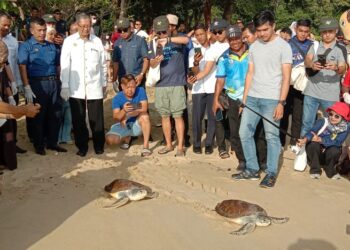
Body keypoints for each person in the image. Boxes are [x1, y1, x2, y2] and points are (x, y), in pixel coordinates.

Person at [233, 10, 292, 188]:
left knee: (272, 137)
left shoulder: (284, 47)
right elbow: (250, 74)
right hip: (252, 98)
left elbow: (286, 77)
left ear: (273, 26)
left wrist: (281, 102)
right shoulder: (254, 46)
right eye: (258, 30)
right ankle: (252, 169)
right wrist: (244, 100)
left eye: (265, 29)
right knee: (244, 133)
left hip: (272, 99)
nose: (261, 34)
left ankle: (271, 173)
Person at [60, 12, 107, 157]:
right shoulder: (69, 41)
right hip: (76, 86)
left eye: (88, 26)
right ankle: (82, 146)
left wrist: (104, 83)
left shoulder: (97, 41)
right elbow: (65, 64)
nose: (86, 29)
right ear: (77, 25)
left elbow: (102, 64)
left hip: (94, 84)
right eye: (83, 26)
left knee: (97, 118)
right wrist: (65, 85)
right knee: (78, 118)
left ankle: (99, 145)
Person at [18, 17, 66, 155]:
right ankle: (39, 145)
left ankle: (52, 142)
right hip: (37, 83)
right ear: (32, 31)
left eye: (44, 30)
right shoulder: (26, 46)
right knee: (38, 115)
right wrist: (26, 86)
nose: (42, 33)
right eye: (39, 30)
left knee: (55, 113)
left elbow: (57, 65)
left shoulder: (51, 46)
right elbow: (22, 66)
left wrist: (61, 82)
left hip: (53, 82)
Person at [148, 15, 189, 157]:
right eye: (158, 32)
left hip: (177, 83)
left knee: (178, 116)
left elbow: (187, 40)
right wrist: (155, 62)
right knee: (164, 116)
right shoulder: (153, 43)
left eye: (163, 31)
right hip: (161, 85)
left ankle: (180, 147)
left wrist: (169, 39)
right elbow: (151, 64)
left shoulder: (177, 39)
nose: (161, 35)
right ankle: (168, 145)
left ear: (170, 29)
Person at [301, 18, 347, 139]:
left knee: (330, 126)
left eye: (330, 31)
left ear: (336, 31)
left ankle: (325, 152)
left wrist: (336, 67)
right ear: (321, 33)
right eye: (324, 32)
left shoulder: (340, 48)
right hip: (311, 92)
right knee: (307, 124)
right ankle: (302, 154)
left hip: (330, 95)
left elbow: (343, 68)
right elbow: (307, 59)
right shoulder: (314, 45)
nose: (327, 34)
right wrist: (312, 65)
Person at [280, 19, 313, 148]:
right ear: (296, 30)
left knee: (298, 115)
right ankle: (281, 142)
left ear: (309, 32)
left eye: (306, 31)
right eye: (300, 31)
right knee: (283, 113)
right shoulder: (287, 44)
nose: (303, 34)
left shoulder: (312, 45)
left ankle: (294, 141)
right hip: (287, 84)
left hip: (302, 85)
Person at [298, 102, 350, 179]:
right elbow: (312, 131)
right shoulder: (323, 121)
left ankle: (330, 170)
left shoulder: (345, 127)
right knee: (312, 144)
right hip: (316, 153)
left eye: (337, 116)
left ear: (343, 118)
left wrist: (321, 139)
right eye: (331, 114)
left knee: (335, 149)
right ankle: (315, 169)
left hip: (329, 154)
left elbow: (338, 142)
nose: (332, 117)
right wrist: (305, 139)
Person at [0, 11, 27, 153]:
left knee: (12, 118)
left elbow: (12, 64)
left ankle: (12, 145)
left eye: (8, 25)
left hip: (11, 83)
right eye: (3, 25)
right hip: (1, 83)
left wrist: (17, 83)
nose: (6, 28)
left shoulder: (12, 40)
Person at [106, 74, 151, 156]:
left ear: (136, 84)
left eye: (133, 87)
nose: (130, 90)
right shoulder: (117, 98)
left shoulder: (140, 90)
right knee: (110, 140)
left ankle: (146, 146)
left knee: (145, 116)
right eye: (127, 87)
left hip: (137, 124)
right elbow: (116, 117)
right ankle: (127, 137)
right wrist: (124, 110)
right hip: (123, 125)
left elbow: (144, 108)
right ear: (122, 86)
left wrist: (128, 113)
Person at [187, 23, 215, 154]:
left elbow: (211, 70)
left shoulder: (214, 49)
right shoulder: (193, 51)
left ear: (207, 33)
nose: (199, 37)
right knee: (197, 117)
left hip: (212, 86)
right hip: (198, 88)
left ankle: (209, 143)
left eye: (201, 34)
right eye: (197, 35)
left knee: (211, 116)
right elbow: (194, 71)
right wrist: (196, 63)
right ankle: (197, 143)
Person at [112, 17, 149, 88]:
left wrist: (141, 74)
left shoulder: (140, 40)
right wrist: (114, 79)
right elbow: (115, 63)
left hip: (137, 79)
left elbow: (146, 59)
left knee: (140, 99)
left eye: (125, 30)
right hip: (123, 80)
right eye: (120, 30)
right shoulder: (117, 43)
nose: (122, 32)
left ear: (130, 28)